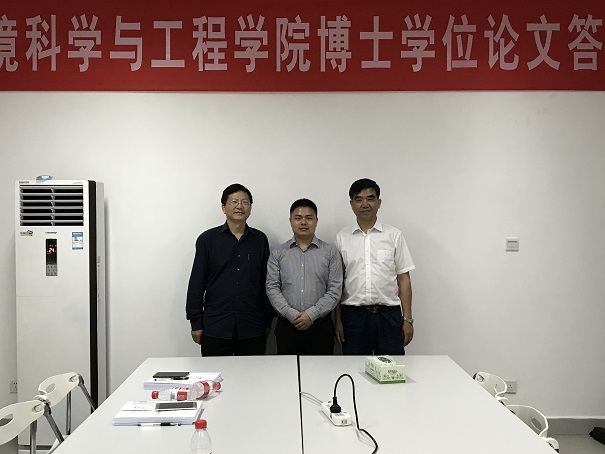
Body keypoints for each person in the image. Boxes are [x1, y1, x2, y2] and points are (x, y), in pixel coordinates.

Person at [186, 183, 273, 356]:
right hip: (215, 326)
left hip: (252, 325)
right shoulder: (207, 240)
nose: (239, 206)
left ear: (250, 208)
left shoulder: (260, 240)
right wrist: (196, 322)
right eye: (234, 202)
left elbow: (266, 281)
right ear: (223, 207)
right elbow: (197, 282)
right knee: (214, 373)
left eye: (245, 202)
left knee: (252, 372)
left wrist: (268, 321)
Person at [334, 178, 415, 355]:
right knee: (354, 368)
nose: (365, 204)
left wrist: (408, 319)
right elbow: (337, 283)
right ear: (351, 204)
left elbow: (403, 278)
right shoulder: (342, 238)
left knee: (391, 368)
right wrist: (338, 320)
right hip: (353, 317)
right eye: (359, 199)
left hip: (389, 316)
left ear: (379, 202)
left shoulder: (394, 235)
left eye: (370, 198)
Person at [266, 199, 343, 355]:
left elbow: (335, 290)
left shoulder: (330, 252)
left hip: (320, 327)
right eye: (298, 218)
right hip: (287, 326)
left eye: (309, 218)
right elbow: (272, 287)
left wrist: (311, 315)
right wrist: (290, 314)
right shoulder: (278, 253)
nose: (303, 222)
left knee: (320, 369)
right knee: (287, 369)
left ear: (316, 221)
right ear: (290, 221)